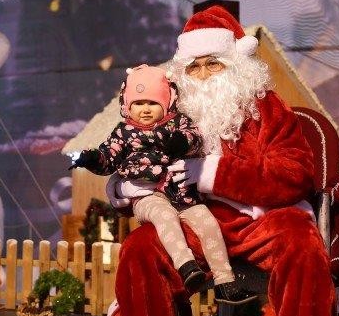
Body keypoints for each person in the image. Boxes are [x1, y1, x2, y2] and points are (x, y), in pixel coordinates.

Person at [88, 6, 334, 316]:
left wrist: (212, 173)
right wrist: (122, 188)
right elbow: (134, 159)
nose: (203, 76)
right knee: (141, 248)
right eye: (194, 67)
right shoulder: (168, 113)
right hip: (195, 219)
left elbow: (294, 174)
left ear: (236, 64)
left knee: (303, 246)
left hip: (262, 218)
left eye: (213, 64)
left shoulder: (267, 107)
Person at [72, 64, 254, 303]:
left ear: (167, 102)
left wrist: (180, 142)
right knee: (164, 217)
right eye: (138, 103)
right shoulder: (123, 133)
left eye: (152, 103)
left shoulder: (178, 123)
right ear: (127, 105)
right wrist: (93, 159)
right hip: (146, 195)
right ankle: (187, 266)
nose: (145, 109)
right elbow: (109, 157)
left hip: (182, 194)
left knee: (208, 223)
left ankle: (225, 281)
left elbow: (194, 138)